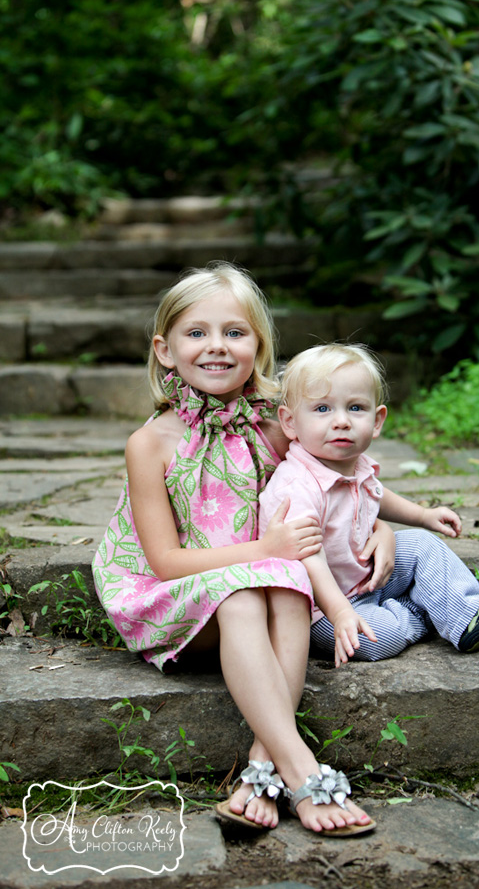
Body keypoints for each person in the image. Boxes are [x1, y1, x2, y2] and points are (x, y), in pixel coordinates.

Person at [92, 264, 377, 836]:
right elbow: (167, 562)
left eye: (235, 332)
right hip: (170, 589)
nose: (216, 347)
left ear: (259, 346)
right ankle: (300, 768)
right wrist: (266, 546)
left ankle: (258, 769)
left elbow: (345, 480)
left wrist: (384, 528)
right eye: (196, 333)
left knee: (288, 586)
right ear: (165, 349)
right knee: (246, 594)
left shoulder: (280, 421)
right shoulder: (150, 443)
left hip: (265, 580)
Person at [259, 344, 479, 668]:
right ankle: (423, 612)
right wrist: (341, 612)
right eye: (322, 409)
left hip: (367, 576)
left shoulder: (352, 463)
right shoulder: (297, 485)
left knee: (422, 545)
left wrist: (422, 516)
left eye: (356, 408)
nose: (342, 421)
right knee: (377, 639)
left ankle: (467, 613)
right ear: (289, 422)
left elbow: (376, 494)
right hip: (324, 608)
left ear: (377, 420)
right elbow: (309, 557)